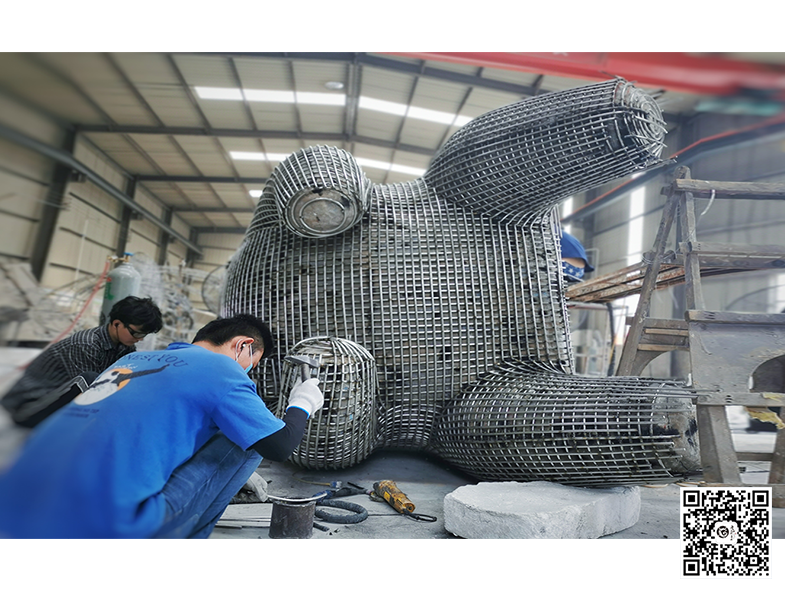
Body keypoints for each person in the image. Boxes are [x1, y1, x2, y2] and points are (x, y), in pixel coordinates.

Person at [0, 314, 324, 539]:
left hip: (14, 507)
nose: (248, 372)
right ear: (242, 346)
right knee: (251, 437)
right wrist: (303, 402)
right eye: (252, 364)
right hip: (104, 524)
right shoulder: (223, 371)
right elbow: (279, 445)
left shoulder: (132, 361)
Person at [1, 295, 164, 428]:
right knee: (91, 381)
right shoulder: (86, 344)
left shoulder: (125, 345)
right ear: (117, 323)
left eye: (144, 335)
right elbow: (93, 393)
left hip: (56, 400)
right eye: (137, 333)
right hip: (27, 407)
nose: (140, 339)